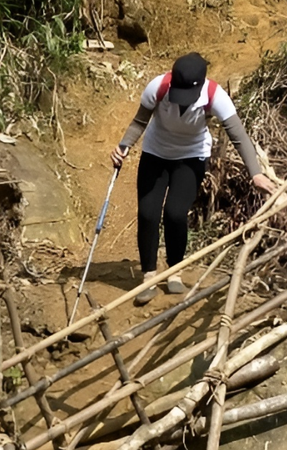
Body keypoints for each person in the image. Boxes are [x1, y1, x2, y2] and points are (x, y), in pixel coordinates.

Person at [113, 52, 277, 305]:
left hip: (191, 156)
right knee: (148, 213)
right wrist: (124, 146)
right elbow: (139, 122)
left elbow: (238, 136)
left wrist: (255, 173)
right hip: (155, 153)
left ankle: (174, 269)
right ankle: (149, 276)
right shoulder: (158, 87)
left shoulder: (215, 96)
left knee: (175, 213)